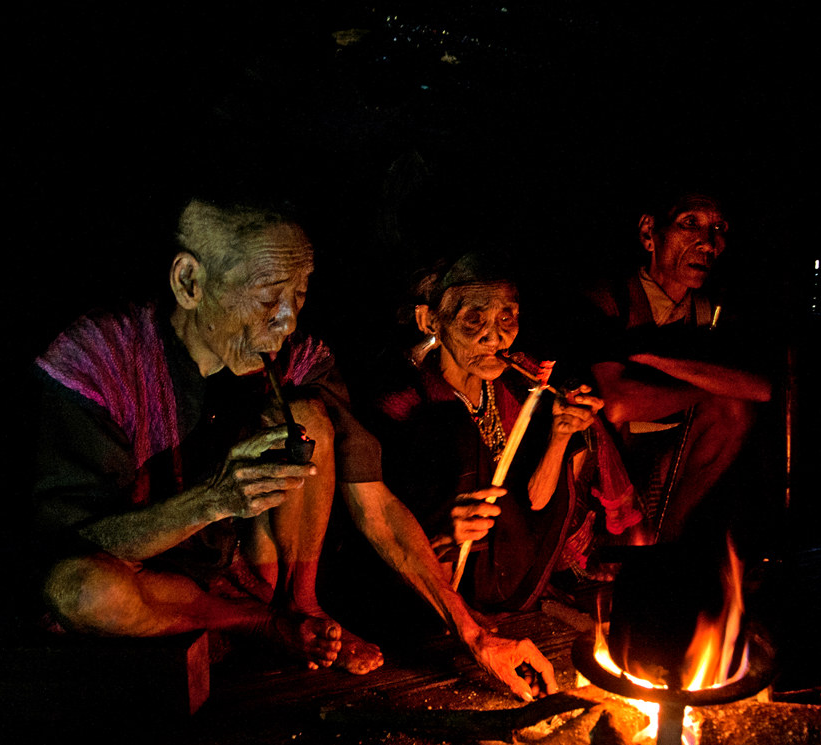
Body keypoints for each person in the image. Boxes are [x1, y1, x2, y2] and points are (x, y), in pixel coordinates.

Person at [28, 195, 557, 701]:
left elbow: (376, 507)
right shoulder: (98, 362)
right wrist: (211, 500)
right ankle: (262, 624)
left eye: (299, 294)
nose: (287, 320)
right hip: (148, 584)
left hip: (244, 570)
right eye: (267, 297)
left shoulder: (298, 361)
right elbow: (75, 543)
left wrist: (475, 635)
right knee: (81, 590)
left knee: (306, 419)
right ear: (189, 282)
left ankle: (303, 606)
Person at [361, 252, 647, 614]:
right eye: (474, 319)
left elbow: (536, 503)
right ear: (429, 320)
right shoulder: (404, 404)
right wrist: (445, 532)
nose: (495, 337)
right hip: (423, 586)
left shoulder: (515, 387)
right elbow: (380, 522)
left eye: (507, 318)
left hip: (503, 580)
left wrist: (560, 435)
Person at [574, 186, 774, 545]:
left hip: (672, 464)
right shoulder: (609, 300)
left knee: (734, 411)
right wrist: (710, 384)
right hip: (601, 469)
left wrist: (662, 363)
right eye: (690, 223)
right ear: (649, 233)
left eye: (719, 228)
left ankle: (667, 538)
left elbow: (761, 389)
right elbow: (618, 405)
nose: (708, 244)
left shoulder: (710, 312)